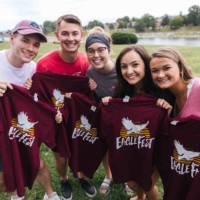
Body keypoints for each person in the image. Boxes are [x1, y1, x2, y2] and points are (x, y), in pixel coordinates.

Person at [36, 14, 96, 200]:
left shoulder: (88, 62)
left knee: (81, 149)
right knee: (61, 157)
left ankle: (82, 176)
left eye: (75, 33)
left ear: (81, 35)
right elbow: (39, 96)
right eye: (65, 33)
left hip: (79, 118)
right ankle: (64, 179)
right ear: (57, 35)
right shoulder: (44, 64)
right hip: (57, 119)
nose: (70, 38)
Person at [0, 20, 62, 200]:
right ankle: (16, 194)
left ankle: (51, 195)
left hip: (20, 126)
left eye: (35, 44)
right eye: (25, 40)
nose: (31, 48)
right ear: (12, 38)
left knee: (37, 164)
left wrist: (54, 112)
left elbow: (42, 99)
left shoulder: (33, 69)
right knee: (3, 177)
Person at [102, 45, 172, 200]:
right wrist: (109, 103)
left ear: (146, 66)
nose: (129, 71)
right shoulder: (123, 91)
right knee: (133, 185)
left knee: (147, 185)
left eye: (135, 65)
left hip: (156, 151)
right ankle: (140, 197)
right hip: (134, 150)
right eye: (124, 66)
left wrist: (166, 107)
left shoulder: (160, 90)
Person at [84, 26, 134, 196]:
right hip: (104, 117)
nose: (96, 55)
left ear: (109, 50)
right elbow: (92, 99)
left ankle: (127, 177)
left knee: (124, 147)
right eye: (90, 51)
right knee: (105, 147)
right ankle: (109, 175)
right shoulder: (89, 72)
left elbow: (134, 94)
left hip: (125, 116)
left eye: (101, 50)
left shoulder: (122, 70)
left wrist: (116, 101)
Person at [149, 47, 200, 199]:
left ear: (179, 66)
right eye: (154, 70)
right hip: (185, 168)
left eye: (166, 68)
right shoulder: (166, 99)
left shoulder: (197, 88)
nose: (160, 75)